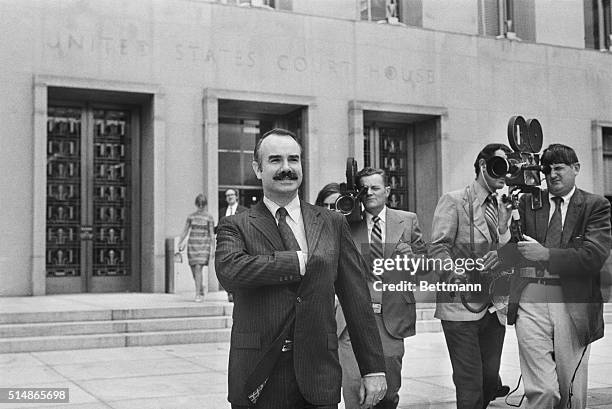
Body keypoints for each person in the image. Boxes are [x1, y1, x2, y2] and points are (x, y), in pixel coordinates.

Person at [215, 128, 387, 409]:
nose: (286, 168)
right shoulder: (236, 225)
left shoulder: (332, 222)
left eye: (293, 159)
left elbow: (356, 300)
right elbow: (229, 272)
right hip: (259, 375)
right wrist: (296, 261)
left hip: (319, 375)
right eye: (275, 160)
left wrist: (373, 368)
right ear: (257, 169)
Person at [500, 144, 611, 409]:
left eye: (559, 168)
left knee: (570, 393)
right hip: (531, 301)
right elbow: (510, 254)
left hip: (572, 304)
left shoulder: (595, 206)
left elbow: (592, 257)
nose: (552, 175)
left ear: (576, 168)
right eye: (547, 170)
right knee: (543, 392)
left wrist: (546, 254)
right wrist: (504, 226)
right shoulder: (528, 203)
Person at [429, 144, 513, 408]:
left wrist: (503, 248)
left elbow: (515, 252)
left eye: (509, 168)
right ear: (482, 165)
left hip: (494, 307)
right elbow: (438, 246)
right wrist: (453, 271)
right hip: (461, 305)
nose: (505, 174)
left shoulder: (506, 205)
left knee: (489, 380)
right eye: (499, 166)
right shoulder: (454, 200)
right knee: (469, 384)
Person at [335, 167, 427, 409]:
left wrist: (412, 259)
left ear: (387, 191)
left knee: (387, 394)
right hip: (353, 321)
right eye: (364, 188)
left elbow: (426, 264)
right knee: (356, 394)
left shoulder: (408, 220)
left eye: (375, 188)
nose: (370, 193)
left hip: (391, 318)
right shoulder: (347, 222)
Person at [178, 193, 215, 302]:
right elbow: (185, 230)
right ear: (196, 204)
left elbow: (211, 233)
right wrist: (180, 242)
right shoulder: (191, 216)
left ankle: (198, 294)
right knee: (194, 270)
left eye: (202, 204)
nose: (200, 206)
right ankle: (200, 288)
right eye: (199, 204)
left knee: (198, 268)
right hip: (192, 245)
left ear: (205, 205)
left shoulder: (209, 217)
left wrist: (213, 248)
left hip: (204, 245)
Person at [218, 188, 248, 302]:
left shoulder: (243, 210)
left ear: (236, 197)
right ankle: (230, 292)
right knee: (227, 269)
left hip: (240, 244)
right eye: (227, 195)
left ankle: (237, 292)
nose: (229, 197)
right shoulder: (222, 212)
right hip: (226, 245)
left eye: (231, 195)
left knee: (238, 269)